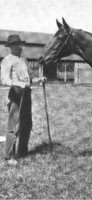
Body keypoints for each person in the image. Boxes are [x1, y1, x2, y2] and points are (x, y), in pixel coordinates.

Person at [1, 34, 46, 166]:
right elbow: (4, 79)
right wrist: (17, 83)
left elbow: (31, 77)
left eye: (20, 44)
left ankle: (23, 151)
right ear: (11, 47)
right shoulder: (7, 60)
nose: (20, 47)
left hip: (26, 95)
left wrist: (39, 79)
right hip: (15, 95)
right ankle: (9, 157)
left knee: (26, 125)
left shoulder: (24, 60)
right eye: (17, 45)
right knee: (14, 127)